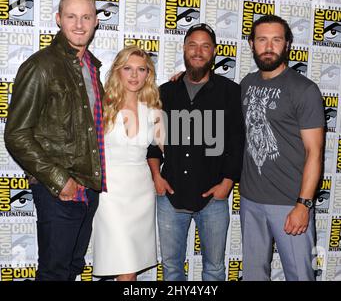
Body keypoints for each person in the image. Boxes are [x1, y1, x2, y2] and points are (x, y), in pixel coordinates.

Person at [4, 0, 106, 281]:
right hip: (57, 189)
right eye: (71, 16)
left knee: (72, 268)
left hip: (87, 188)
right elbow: (16, 134)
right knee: (54, 273)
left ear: (96, 22)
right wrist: (61, 181)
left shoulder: (91, 66)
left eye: (86, 17)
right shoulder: (41, 65)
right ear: (58, 19)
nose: (79, 24)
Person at [147, 23, 244, 281]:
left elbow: (237, 143)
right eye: (192, 45)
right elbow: (154, 142)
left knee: (214, 269)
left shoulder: (231, 92)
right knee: (171, 268)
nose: (198, 51)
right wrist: (157, 176)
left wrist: (226, 183)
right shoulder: (166, 92)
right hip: (171, 197)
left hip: (213, 199)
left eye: (205, 46)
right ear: (184, 49)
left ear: (214, 52)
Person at [239, 15, 325, 281]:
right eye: (262, 40)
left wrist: (303, 204)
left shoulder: (304, 90)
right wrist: (186, 76)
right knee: (254, 275)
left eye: (276, 40)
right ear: (252, 44)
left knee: (299, 275)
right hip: (250, 200)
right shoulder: (245, 84)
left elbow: (315, 152)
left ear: (287, 44)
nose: (269, 46)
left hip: (289, 203)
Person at [92, 46, 163, 281]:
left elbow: (172, 149)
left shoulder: (153, 111)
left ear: (148, 75)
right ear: (118, 72)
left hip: (141, 193)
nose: (134, 75)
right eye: (128, 69)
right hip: (110, 193)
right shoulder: (101, 106)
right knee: (123, 260)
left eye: (141, 69)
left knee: (129, 267)